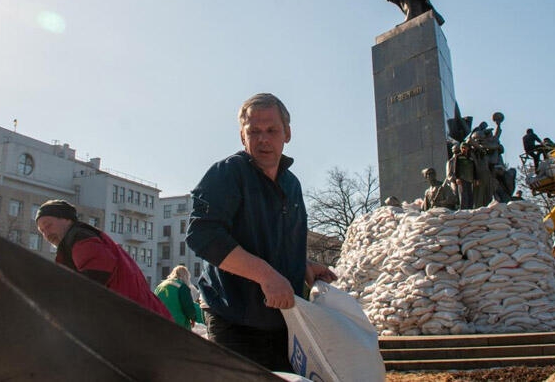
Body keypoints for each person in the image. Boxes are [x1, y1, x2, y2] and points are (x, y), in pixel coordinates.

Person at [186, 93, 337, 372]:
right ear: (242, 137)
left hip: (284, 321)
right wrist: (266, 275)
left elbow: (276, 243)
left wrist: (302, 266)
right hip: (234, 320)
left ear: (287, 134)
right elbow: (202, 235)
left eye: (271, 130)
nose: (263, 139)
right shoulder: (227, 174)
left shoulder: (292, 185)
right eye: (254, 131)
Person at [35, 199, 171, 320]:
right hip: (142, 316)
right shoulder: (79, 240)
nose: (46, 234)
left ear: (66, 219)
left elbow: (93, 278)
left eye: (48, 225)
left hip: (139, 320)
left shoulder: (80, 238)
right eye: (42, 231)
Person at [448, 142, 477, 209]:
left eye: (465, 148)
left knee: (470, 195)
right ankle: (463, 209)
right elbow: (456, 168)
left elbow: (474, 169)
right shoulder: (458, 157)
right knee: (463, 195)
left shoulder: (470, 158)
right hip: (462, 178)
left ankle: (470, 208)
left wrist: (476, 179)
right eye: (462, 148)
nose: (464, 149)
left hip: (469, 179)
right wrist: (457, 178)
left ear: (467, 148)